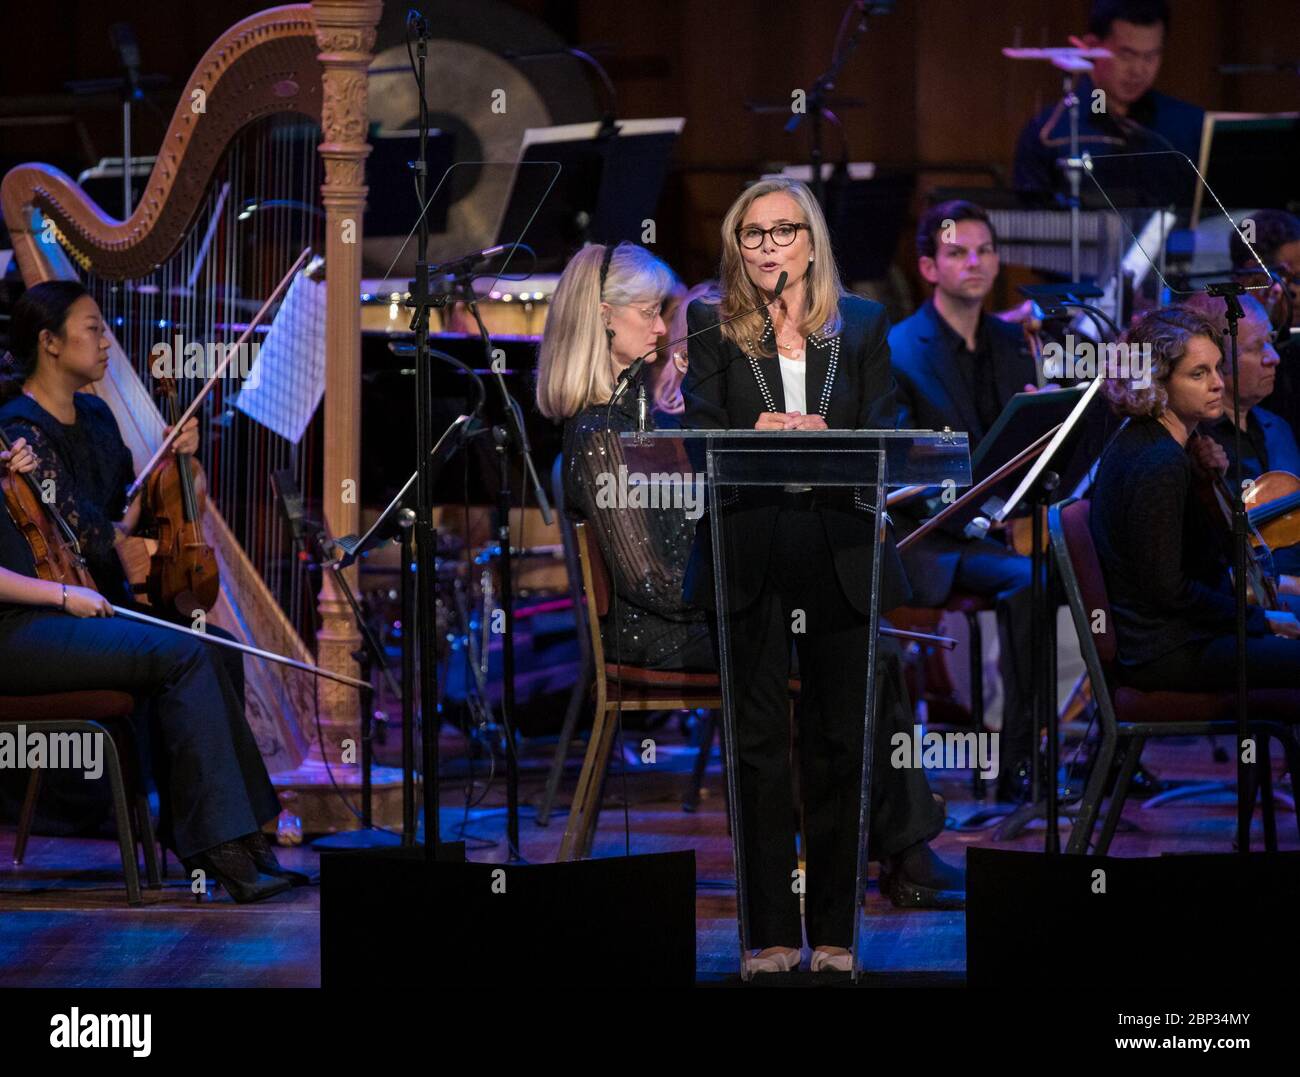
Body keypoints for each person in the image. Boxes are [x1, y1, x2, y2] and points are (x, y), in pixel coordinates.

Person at [683, 177, 963, 976]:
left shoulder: (866, 325)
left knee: (843, 744)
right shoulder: (714, 328)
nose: (768, 246)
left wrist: (833, 432)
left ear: (812, 242)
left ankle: (836, 934)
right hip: (749, 550)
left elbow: (894, 428)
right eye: (752, 234)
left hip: (841, 549)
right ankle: (768, 934)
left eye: (782, 231)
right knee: (760, 748)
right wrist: (755, 428)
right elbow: (695, 432)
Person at [0, 281, 301, 901]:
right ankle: (212, 846)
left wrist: (177, 468)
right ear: (49, 344)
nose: (105, 338)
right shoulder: (16, 434)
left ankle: (242, 836)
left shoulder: (98, 416)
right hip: (23, 626)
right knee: (184, 651)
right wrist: (92, 576)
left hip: (84, 605)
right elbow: (88, 535)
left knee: (214, 643)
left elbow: (116, 517)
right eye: (91, 327)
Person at [889, 199, 1041, 803]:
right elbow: (906, 472)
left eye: (983, 251)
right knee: (1032, 582)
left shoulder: (1012, 342)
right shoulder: (901, 348)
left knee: (1086, 567)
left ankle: (1089, 744)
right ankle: (1017, 762)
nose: (973, 263)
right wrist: (986, 521)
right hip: (937, 540)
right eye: (957, 253)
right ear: (929, 267)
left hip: (1005, 524)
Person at [1091, 305, 1300, 697]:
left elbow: (1213, 559)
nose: (1219, 384)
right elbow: (1170, 592)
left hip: (1183, 633)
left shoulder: (1170, 445)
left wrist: (1209, 484)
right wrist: (1259, 620)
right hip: (1168, 650)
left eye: (1218, 368)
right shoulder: (1158, 462)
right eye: (1198, 374)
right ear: (1156, 383)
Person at [537, 241, 714, 672]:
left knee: (842, 643)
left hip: (682, 623)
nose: (660, 329)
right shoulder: (602, 435)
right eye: (649, 312)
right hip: (659, 639)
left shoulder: (631, 419)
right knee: (848, 656)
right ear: (604, 316)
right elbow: (651, 582)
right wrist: (743, 599)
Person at [1013, 0, 1204, 200]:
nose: (1138, 70)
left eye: (1150, 57)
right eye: (1126, 55)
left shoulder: (1188, 125)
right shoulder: (1050, 132)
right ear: (1091, 47)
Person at [1178, 292, 1300, 573]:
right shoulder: (1194, 447)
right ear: (1217, 360)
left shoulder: (1278, 428)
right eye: (1257, 348)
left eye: (1270, 342)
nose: (1274, 358)